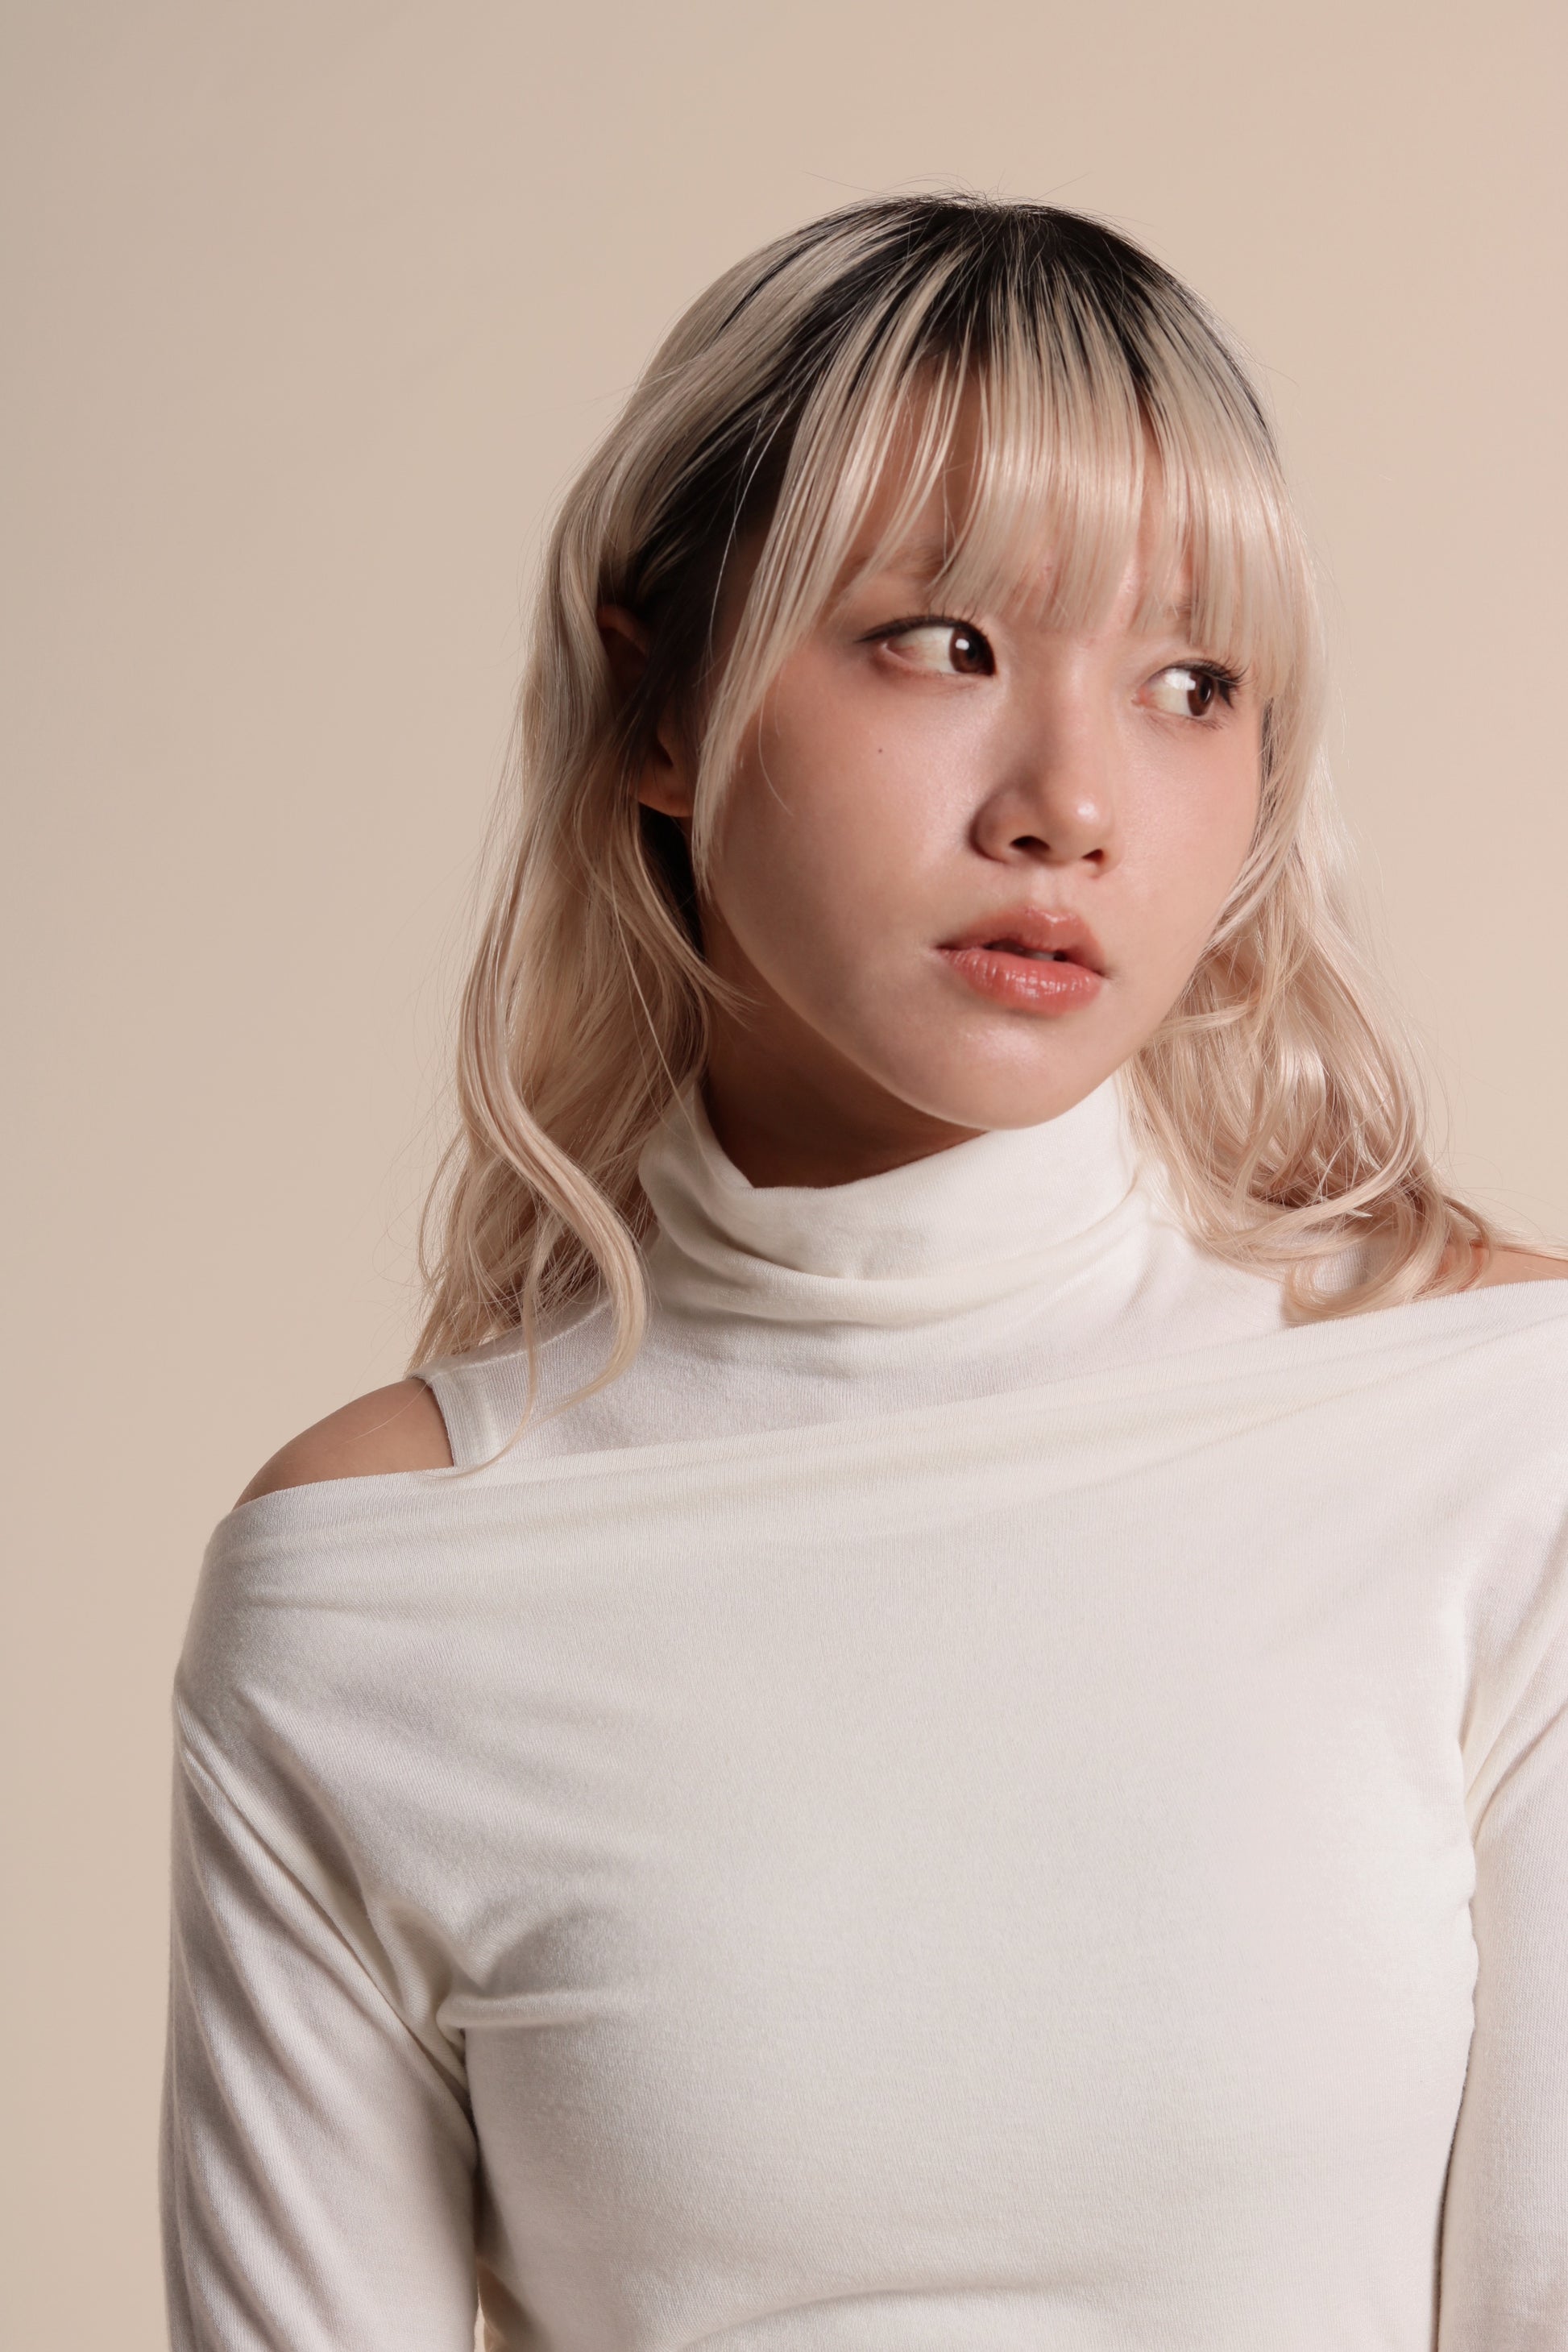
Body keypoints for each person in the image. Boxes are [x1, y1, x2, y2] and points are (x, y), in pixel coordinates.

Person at [160, 195, 1568, 2351]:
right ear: (657, 704)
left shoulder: (1491, 1425)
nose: (1070, 804)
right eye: (941, 642)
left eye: (1190, 684)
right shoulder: (375, 1591)